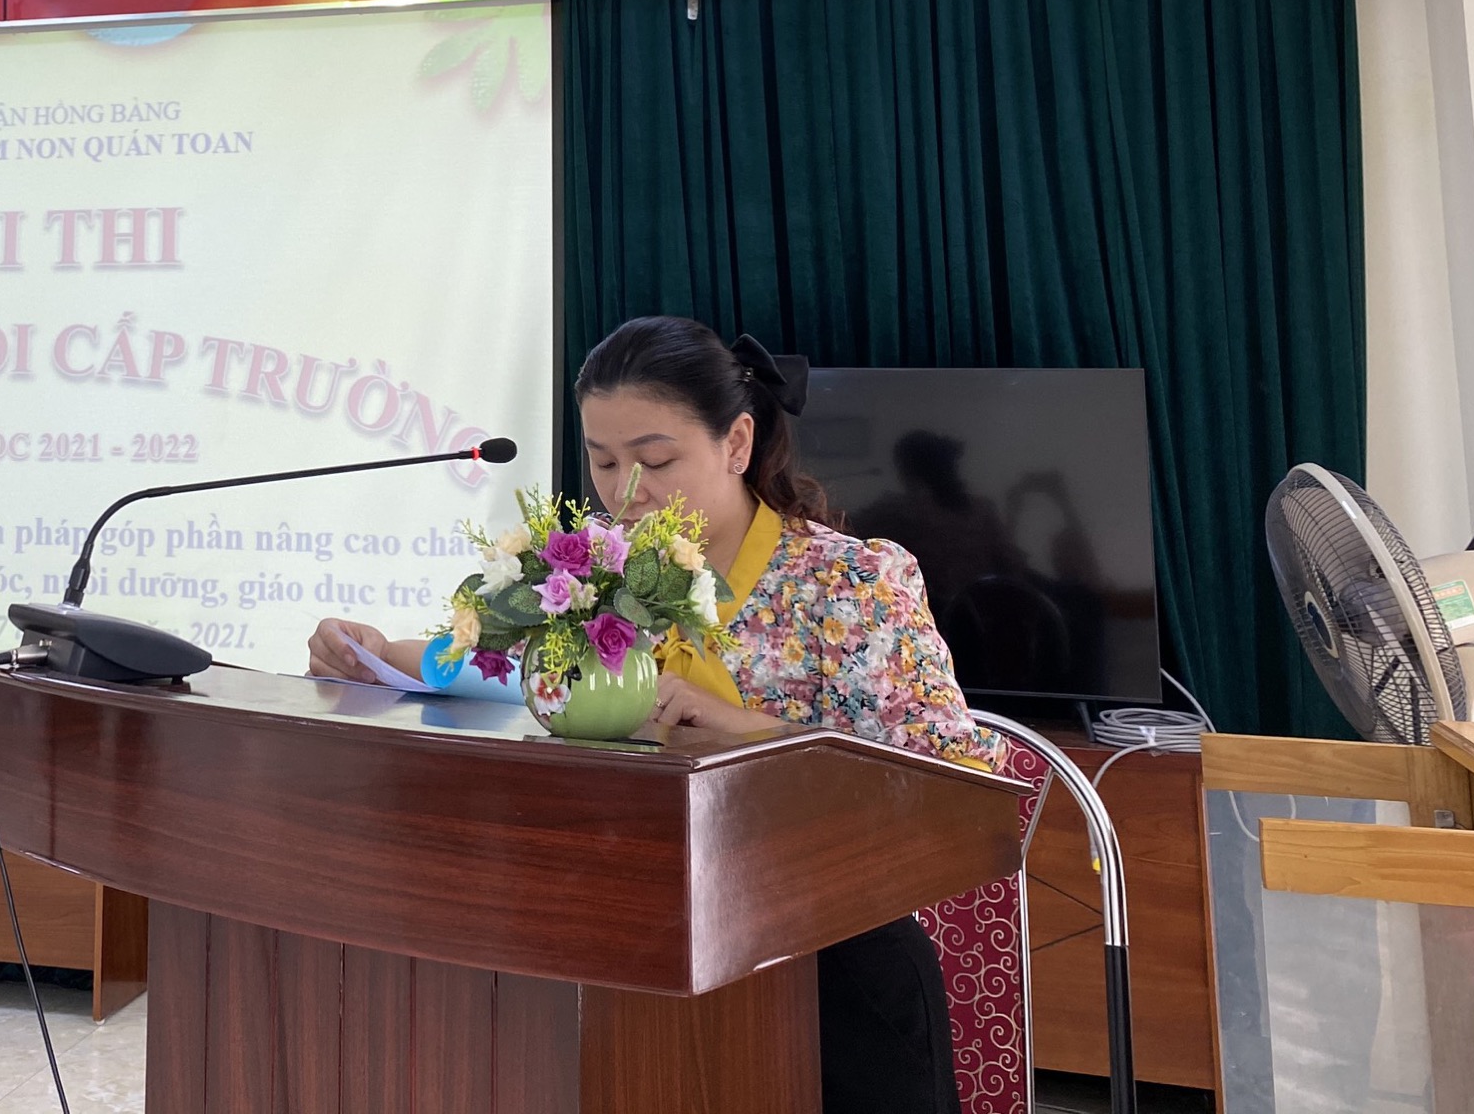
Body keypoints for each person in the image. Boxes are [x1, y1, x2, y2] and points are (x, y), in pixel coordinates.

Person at [308, 316, 998, 1114]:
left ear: (736, 444)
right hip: (628, 952)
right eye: (603, 461)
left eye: (656, 460)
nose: (625, 491)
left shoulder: (849, 581)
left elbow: (955, 781)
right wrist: (373, 651)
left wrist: (745, 729)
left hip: (827, 965)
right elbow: (490, 662)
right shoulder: (592, 568)